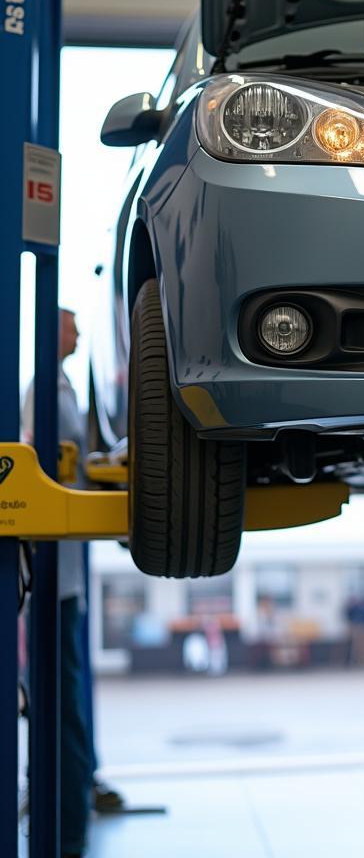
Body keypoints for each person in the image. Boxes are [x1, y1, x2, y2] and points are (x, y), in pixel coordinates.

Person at [22, 308, 125, 857]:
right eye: (71, 326)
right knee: (59, 698)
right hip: (52, 578)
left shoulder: (58, 387)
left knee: (68, 694)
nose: (80, 334)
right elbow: (51, 469)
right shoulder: (41, 390)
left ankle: (73, 807)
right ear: (50, 332)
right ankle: (65, 824)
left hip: (66, 575)